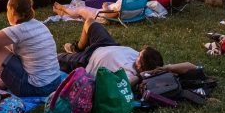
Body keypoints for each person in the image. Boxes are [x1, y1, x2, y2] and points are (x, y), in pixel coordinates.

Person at [58, 18, 196, 86]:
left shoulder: (131, 75)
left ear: (141, 66)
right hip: (108, 44)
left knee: (55, 58)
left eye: (139, 56)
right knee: (89, 22)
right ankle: (78, 47)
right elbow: (192, 66)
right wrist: (166, 68)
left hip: (87, 60)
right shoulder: (150, 63)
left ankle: (76, 53)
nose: (138, 54)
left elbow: (124, 86)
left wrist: (143, 76)